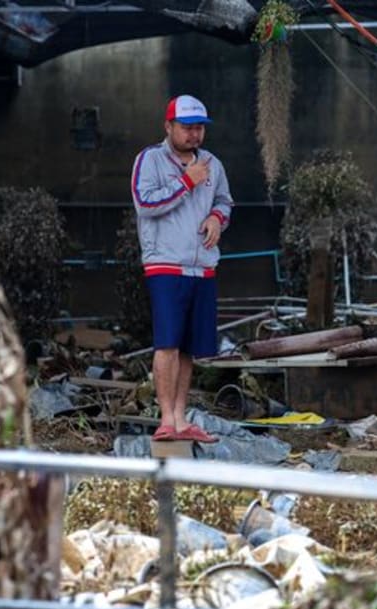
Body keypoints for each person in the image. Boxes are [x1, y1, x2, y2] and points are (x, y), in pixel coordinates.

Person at [130, 95, 234, 443]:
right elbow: (146, 204)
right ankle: (165, 419)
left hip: (202, 266)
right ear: (168, 127)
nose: (195, 135)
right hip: (165, 263)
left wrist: (218, 219)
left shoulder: (212, 163)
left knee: (189, 345)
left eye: (199, 128)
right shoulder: (150, 159)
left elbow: (224, 200)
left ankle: (180, 418)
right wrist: (187, 181)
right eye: (187, 128)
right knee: (168, 342)